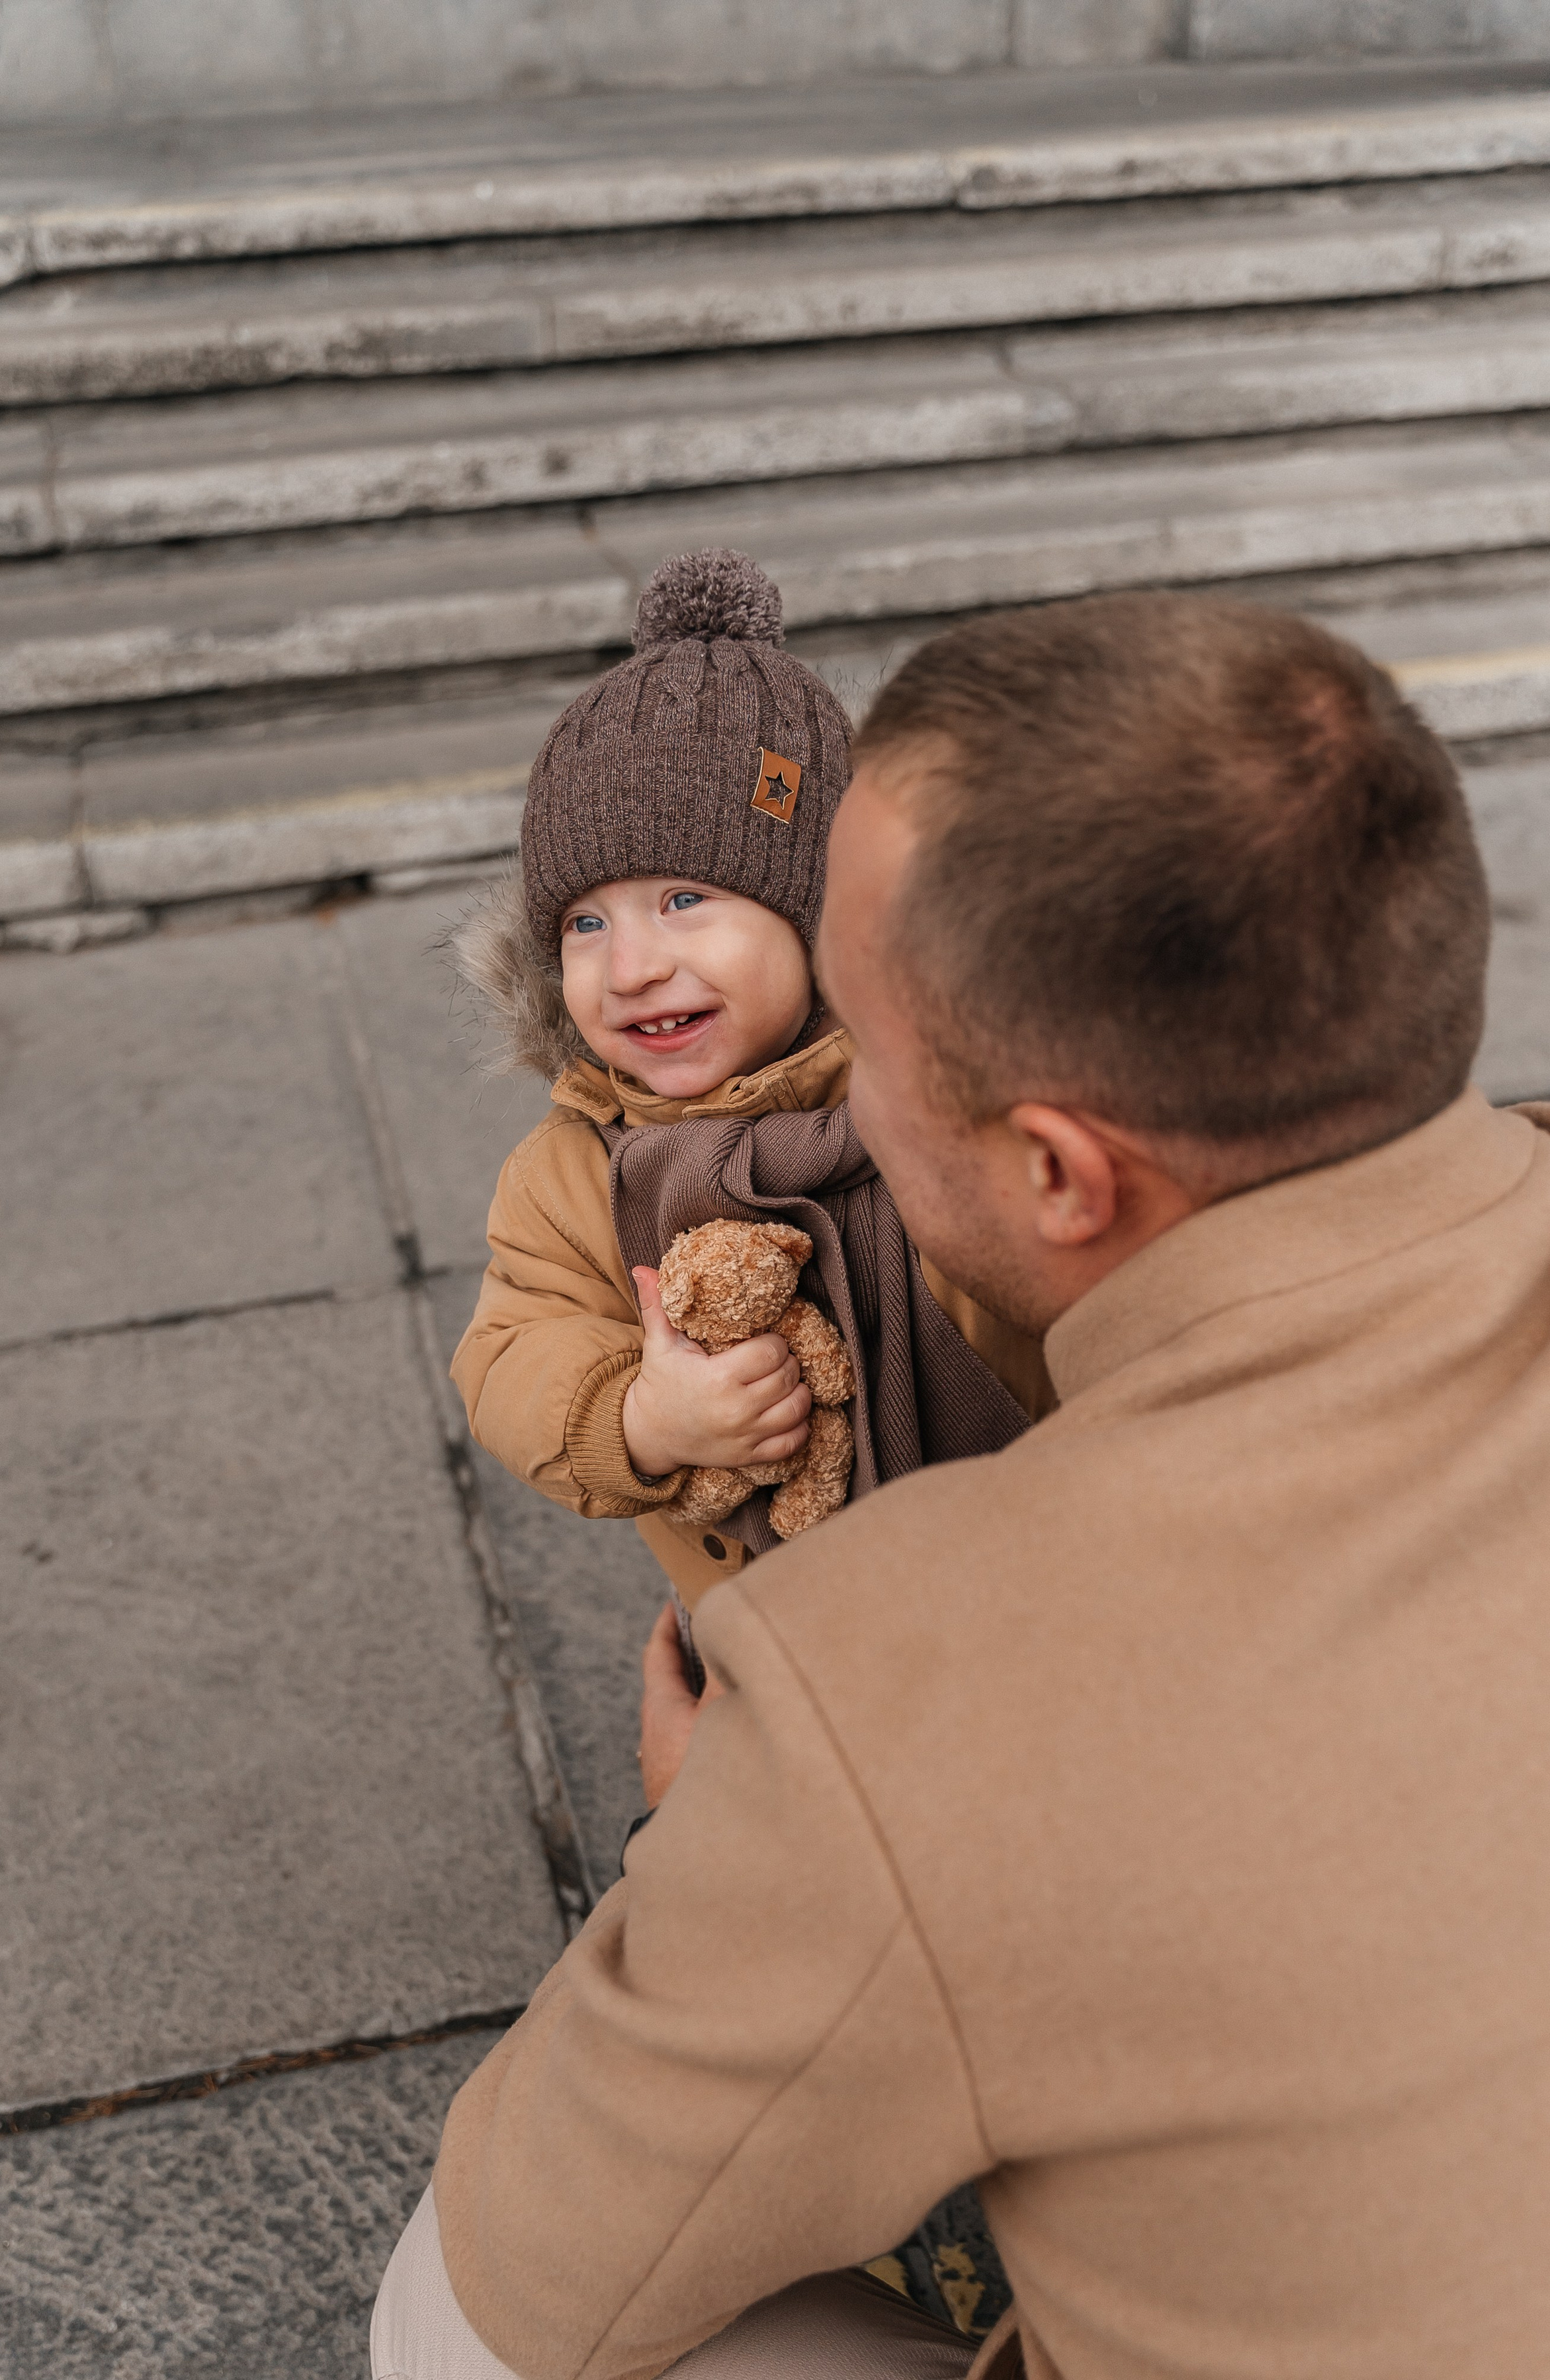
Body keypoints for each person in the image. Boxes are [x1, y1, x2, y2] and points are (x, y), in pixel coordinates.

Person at [376, 590, 1550, 2380]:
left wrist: (730, 1846)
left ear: (1059, 1170)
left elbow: (533, 2269)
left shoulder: (891, 1699)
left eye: (866, 1017)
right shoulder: (581, 1175)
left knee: (446, 2323)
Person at [451, 547, 1047, 1635]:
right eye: (587, 922)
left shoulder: (941, 1087)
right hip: (772, 1635)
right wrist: (638, 1416)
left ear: (819, 916)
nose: (630, 966)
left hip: (1030, 1586)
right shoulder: (575, 1172)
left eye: (685, 899)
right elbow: (509, 1353)